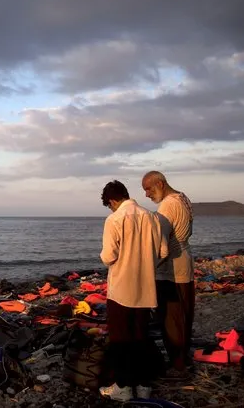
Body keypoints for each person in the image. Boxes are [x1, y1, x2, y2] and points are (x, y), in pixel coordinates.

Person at [98, 180, 168, 402]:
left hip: (121, 290)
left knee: (121, 340)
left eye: (109, 205)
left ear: (112, 201)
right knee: (141, 337)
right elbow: (163, 251)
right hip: (146, 288)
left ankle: (124, 386)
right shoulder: (152, 217)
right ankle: (143, 384)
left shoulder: (114, 219)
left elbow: (109, 256)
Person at [141, 171, 195, 376]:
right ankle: (183, 358)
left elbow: (159, 242)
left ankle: (178, 365)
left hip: (171, 266)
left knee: (171, 317)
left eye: (148, 188)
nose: (146, 194)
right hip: (185, 260)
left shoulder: (167, 205)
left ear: (160, 184)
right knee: (184, 314)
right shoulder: (183, 198)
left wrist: (146, 266)